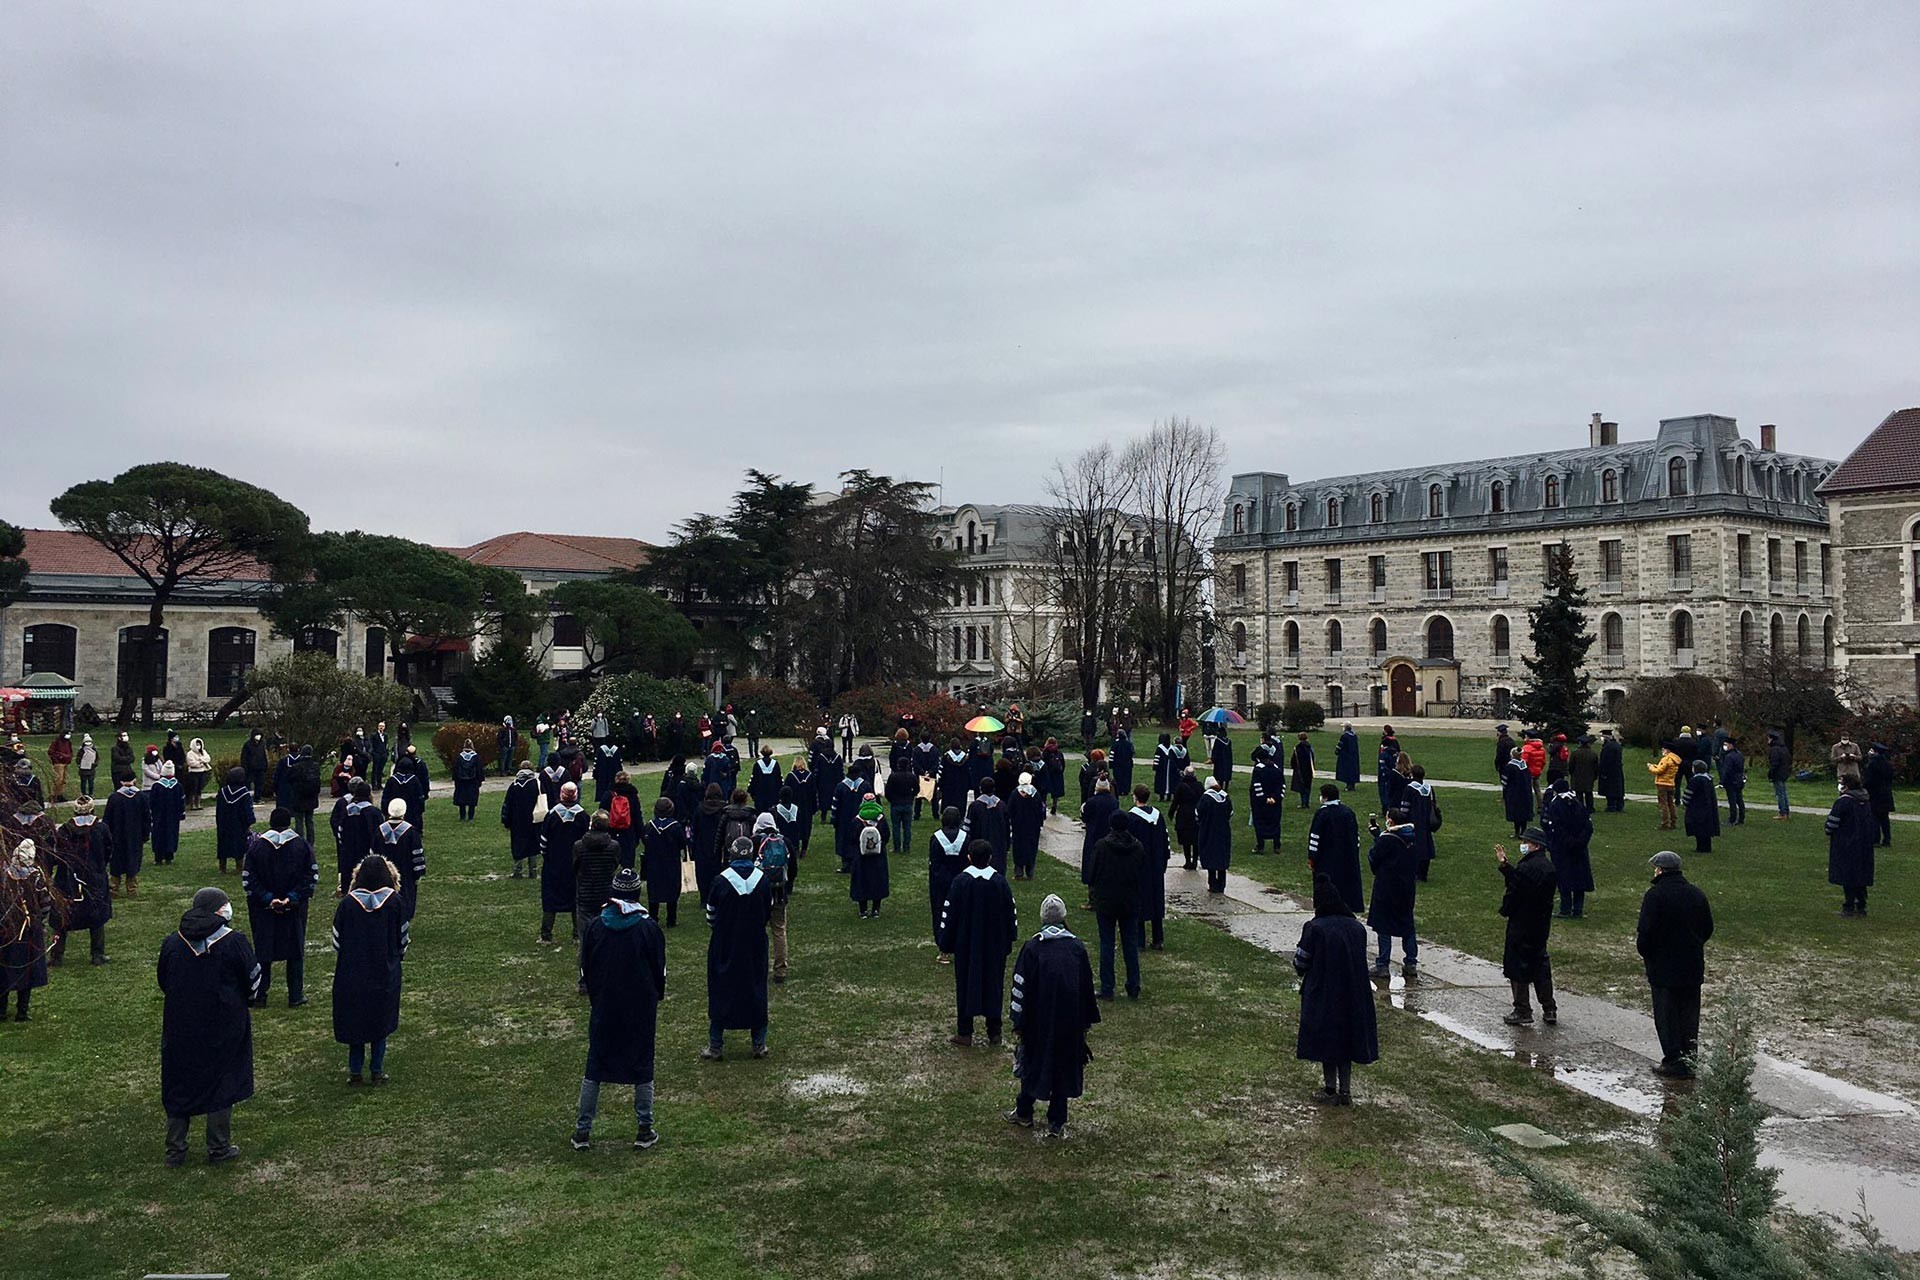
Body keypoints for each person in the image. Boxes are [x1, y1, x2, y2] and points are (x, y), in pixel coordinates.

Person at [157, 887, 260, 1165]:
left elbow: (164, 980)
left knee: (179, 1083)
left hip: (181, 1025)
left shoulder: (172, 944)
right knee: (222, 1082)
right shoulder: (234, 942)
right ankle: (218, 1146)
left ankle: (175, 1149)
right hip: (224, 1026)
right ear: (219, 911)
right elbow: (253, 979)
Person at [570, 867, 667, 1150]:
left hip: (605, 1005)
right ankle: (644, 1128)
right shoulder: (649, 928)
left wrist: (596, 996)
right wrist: (655, 997)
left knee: (595, 1065)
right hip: (639, 1007)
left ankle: (582, 1131)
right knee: (642, 1063)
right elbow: (659, 970)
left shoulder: (597, 927)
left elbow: (585, 969)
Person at [1006, 895, 1100, 1140]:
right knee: (1062, 1067)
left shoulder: (1032, 948)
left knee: (1032, 1065)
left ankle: (1025, 1112)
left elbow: (1020, 987)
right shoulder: (1077, 948)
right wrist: (1086, 1021)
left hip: (1038, 1022)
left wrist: (1018, 1021)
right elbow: (1086, 987)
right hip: (1069, 1022)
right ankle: (1056, 1121)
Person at [1294, 872, 1379, 1105]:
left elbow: (1301, 961)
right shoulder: (1356, 928)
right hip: (1353, 994)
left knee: (1327, 1042)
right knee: (1347, 1042)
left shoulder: (1314, 928)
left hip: (1324, 993)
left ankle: (1330, 1089)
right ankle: (1346, 1092)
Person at [331, 852, 408, 1085]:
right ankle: (377, 1069)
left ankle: (355, 1071)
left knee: (355, 1021)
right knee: (380, 1021)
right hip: (384, 971)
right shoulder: (395, 902)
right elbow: (402, 939)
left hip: (351, 971)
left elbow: (337, 940)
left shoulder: (348, 904)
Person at [1635, 851, 1713, 1078]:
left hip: (1663, 967)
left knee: (1667, 1015)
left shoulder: (1655, 896)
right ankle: (1690, 1058)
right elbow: (1707, 927)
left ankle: (1673, 1060)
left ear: (1659, 870)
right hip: (1691, 965)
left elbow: (1646, 932)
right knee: (1689, 1014)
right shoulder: (1696, 894)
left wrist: (1647, 953)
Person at [937, 837, 1019, 1045]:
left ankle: (965, 1031)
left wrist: (945, 942)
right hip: (994, 946)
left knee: (965, 985)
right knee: (994, 985)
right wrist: (1010, 937)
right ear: (990, 858)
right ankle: (994, 1031)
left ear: (969, 857)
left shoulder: (960, 883)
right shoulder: (1000, 883)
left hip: (966, 945)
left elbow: (949, 914)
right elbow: (1011, 913)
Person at [703, 836, 773, 1060]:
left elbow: (711, 916)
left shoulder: (720, 881)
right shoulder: (762, 880)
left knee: (721, 989)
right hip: (754, 944)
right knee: (756, 988)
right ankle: (758, 1043)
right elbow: (767, 912)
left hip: (725, 944)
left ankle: (716, 1045)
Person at [241, 809, 318, 1007]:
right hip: (294, 910)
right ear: (290, 822)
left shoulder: (257, 847)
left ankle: (260, 995)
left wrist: (268, 899)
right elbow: (310, 876)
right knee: (295, 951)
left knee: (263, 951)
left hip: (263, 909)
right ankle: (295, 995)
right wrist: (291, 898)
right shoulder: (302, 846)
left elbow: (249, 878)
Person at [1496, 830, 1557, 1026]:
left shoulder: (1526, 867)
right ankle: (1549, 1008)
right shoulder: (1548, 867)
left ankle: (1522, 1008)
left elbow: (1517, 890)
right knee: (1540, 966)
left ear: (1535, 845)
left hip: (1521, 924)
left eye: (1526, 842)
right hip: (1540, 924)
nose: (1523, 845)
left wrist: (1505, 909)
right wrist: (1506, 866)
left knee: (1517, 966)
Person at [1086, 810, 1145, 1000]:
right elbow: (1142, 873)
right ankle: (1133, 985)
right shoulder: (1137, 847)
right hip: (1129, 900)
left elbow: (1092, 873)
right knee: (1130, 944)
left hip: (1107, 900)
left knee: (1107, 944)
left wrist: (1095, 892)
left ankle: (1107, 987)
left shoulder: (1102, 846)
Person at [51, 799, 113, 966]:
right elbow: (108, 850)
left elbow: (57, 854)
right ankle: (97, 954)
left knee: (62, 917)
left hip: (67, 878)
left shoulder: (64, 830)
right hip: (93, 877)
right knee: (97, 916)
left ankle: (56, 956)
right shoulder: (101, 829)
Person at [1365, 809, 1419, 977]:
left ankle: (1383, 964)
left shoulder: (1387, 840)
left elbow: (1374, 857)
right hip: (1407, 886)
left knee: (1384, 925)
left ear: (1392, 821)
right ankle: (1411, 962)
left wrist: (1377, 837)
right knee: (1407, 924)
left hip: (1387, 886)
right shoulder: (1412, 838)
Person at [1, 840, 51, 1020]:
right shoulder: (36, 877)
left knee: (4, 969)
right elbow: (45, 904)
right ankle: (22, 1011)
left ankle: (2, 1010)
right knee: (26, 971)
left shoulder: (4, 876)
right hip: (28, 930)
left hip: (7, 929)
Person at [572, 812, 623, 981]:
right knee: (607, 939)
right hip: (605, 895)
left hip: (585, 895)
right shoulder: (614, 846)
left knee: (585, 941)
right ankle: (606, 976)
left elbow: (575, 867)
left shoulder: (579, 846)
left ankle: (584, 979)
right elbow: (614, 865)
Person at [539, 783, 588, 944]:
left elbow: (543, 842)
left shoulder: (552, 815)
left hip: (553, 863)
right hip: (576, 865)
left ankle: (546, 935)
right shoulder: (582, 816)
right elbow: (586, 841)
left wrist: (547, 857)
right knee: (576, 898)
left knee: (550, 898)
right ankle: (577, 935)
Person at [1540, 775, 1593, 918]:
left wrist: (1568, 841)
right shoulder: (1578, 803)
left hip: (1562, 848)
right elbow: (1588, 826)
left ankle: (1565, 909)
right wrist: (1580, 842)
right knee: (1579, 879)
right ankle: (1578, 909)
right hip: (1580, 849)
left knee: (1564, 878)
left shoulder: (1555, 805)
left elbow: (1556, 827)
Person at [1307, 784, 1362, 920]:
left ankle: (1325, 911)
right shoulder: (1348, 812)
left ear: (1325, 797)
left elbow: (1315, 838)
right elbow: (1356, 837)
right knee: (1345, 886)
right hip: (1346, 858)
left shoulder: (1322, 814)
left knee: (1326, 886)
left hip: (1326, 859)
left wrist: (1312, 857)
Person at [1826, 777, 1876, 917]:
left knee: (1848, 876)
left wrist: (1828, 831)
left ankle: (1848, 906)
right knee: (1861, 875)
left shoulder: (1843, 802)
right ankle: (1861, 905)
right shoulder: (1865, 800)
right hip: (1864, 844)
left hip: (1846, 843)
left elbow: (1832, 822)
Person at [639, 797, 688, 926]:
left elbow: (644, 840)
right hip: (670, 862)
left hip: (654, 862)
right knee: (672, 888)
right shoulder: (675, 827)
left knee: (654, 888)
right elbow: (683, 843)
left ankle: (653, 916)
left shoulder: (649, 827)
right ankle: (671, 918)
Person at [376, 797, 426, 923]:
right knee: (406, 899)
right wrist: (418, 873)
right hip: (406, 873)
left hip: (384, 873)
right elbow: (417, 855)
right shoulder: (411, 832)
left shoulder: (380, 831)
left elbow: (373, 853)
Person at [105, 773, 150, 897]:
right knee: (133, 861)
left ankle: (113, 888)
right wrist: (145, 834)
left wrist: (107, 836)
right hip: (135, 836)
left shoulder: (114, 798)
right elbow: (147, 818)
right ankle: (132, 889)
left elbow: (107, 820)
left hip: (117, 836)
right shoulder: (141, 797)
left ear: (121, 782)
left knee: (116, 862)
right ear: (134, 780)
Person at [851, 793, 891, 917]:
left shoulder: (857, 820)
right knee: (877, 881)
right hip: (878, 857)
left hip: (861, 857)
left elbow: (852, 838)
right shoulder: (881, 819)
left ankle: (863, 910)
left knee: (862, 881)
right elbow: (886, 836)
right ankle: (876, 909)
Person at [209, 767, 253, 877]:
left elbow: (218, 808)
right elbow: (247, 810)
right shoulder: (244, 793)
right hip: (239, 824)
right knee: (239, 844)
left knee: (223, 843)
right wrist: (249, 822)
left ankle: (222, 866)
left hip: (224, 822)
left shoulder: (222, 791)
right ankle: (239, 866)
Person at [501, 762, 541, 879]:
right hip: (533, 820)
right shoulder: (536, 784)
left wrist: (506, 821)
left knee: (517, 845)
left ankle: (517, 870)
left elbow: (507, 805)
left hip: (517, 821)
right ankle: (532, 871)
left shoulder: (514, 786)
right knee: (533, 845)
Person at [1078, 775, 1118, 891]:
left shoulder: (1091, 802)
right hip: (1108, 834)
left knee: (1092, 864)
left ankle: (1092, 895)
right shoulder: (1113, 802)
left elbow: (1085, 818)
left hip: (1093, 835)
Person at [1196, 775, 1234, 894]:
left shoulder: (1205, 799)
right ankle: (1222, 884)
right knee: (1222, 857)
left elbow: (1198, 814)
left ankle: (1212, 883)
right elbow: (1231, 812)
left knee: (1210, 856)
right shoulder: (1225, 797)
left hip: (1209, 831)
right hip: (1223, 831)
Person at [1008, 771, 1046, 882]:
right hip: (1033, 826)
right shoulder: (1036, 794)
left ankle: (1018, 872)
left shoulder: (1015, 794)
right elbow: (1041, 809)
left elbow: (1010, 809)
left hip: (1018, 826)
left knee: (1018, 848)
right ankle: (1030, 872)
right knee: (1031, 848)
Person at [1403, 764, 1439, 882]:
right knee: (1426, 846)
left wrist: (1403, 820)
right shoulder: (1429, 788)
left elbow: (1405, 807)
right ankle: (1424, 873)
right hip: (1427, 822)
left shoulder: (1410, 789)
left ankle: (1416, 873)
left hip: (1414, 821)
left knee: (1415, 847)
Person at [149, 761, 187, 867]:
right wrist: (181, 813)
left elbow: (151, 802)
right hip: (173, 817)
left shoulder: (157, 786)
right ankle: (169, 856)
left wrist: (150, 813)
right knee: (171, 834)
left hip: (159, 816)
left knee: (159, 835)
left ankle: (158, 857)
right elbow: (181, 801)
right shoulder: (178, 786)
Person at [283, 745, 323, 845]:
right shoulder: (315, 766)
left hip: (299, 797)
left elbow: (288, 778)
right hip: (312, 797)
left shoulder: (297, 767)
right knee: (309, 821)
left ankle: (300, 842)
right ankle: (311, 841)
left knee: (299, 821)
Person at [1248, 749, 1285, 854]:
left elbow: (1256, 785)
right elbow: (1281, 785)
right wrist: (1276, 798)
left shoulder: (1258, 769)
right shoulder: (1276, 768)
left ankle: (1260, 846)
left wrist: (1264, 798)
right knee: (1275, 823)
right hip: (1275, 802)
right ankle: (1276, 846)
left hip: (1260, 803)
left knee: (1260, 823)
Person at [1682, 759, 1719, 854]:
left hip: (1697, 808)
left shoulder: (1695, 780)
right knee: (1706, 829)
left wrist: (1685, 802)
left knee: (1698, 828)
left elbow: (1688, 794)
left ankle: (1700, 847)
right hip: (1708, 808)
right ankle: (1707, 847)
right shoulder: (1709, 779)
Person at [1864, 743, 1896, 847]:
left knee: (1875, 818)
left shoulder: (1872, 764)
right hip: (1886, 793)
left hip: (1875, 794)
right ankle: (1887, 839)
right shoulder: (1888, 764)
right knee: (1885, 818)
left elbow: (1869, 781)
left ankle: (1875, 840)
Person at [1498, 746, 1533, 839]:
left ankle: (1517, 832)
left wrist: (1505, 793)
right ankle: (1523, 831)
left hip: (1514, 793)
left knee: (1516, 814)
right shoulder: (1524, 765)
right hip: (1525, 793)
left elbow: (1505, 781)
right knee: (1524, 814)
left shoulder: (1510, 766)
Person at [1647, 742, 1681, 831]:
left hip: (1662, 784)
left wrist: (1651, 767)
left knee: (1663, 804)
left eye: (1663, 749)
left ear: (1667, 750)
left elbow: (1659, 771)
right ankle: (1673, 822)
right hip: (1670, 783)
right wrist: (1656, 766)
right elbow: (1664, 769)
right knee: (1671, 803)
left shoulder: (1666, 759)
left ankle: (1665, 823)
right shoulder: (1675, 759)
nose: (1662, 750)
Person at [1717, 735, 1747, 826]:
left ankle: (1732, 819)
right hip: (1739, 780)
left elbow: (1727, 771)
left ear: (1731, 745)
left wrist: (1722, 781)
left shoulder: (1729, 757)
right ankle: (1741, 818)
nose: (1725, 746)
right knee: (1739, 800)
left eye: (1726, 744)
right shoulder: (1739, 754)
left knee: (1732, 801)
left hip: (1731, 781)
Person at [451, 739, 484, 822]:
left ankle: (462, 817)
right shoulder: (476, 757)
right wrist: (480, 780)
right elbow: (479, 771)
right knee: (472, 800)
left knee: (462, 799)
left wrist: (455, 780)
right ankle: (471, 817)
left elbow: (455, 770)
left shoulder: (459, 757)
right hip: (473, 782)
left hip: (461, 782)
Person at [1766, 730, 1793, 821]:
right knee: (1784, 793)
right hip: (1784, 773)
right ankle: (1786, 811)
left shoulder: (1774, 749)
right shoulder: (1784, 748)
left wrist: (1770, 774)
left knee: (1780, 794)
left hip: (1778, 774)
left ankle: (1783, 813)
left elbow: (1774, 763)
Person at [1567, 736, 1598, 812]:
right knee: (1589, 793)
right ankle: (1590, 807)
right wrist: (1595, 776)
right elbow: (1596, 767)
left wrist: (1572, 773)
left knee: (1579, 793)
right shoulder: (1593, 754)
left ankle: (1579, 807)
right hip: (1589, 776)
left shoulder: (1575, 753)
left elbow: (1571, 766)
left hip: (1577, 776)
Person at [1598, 729, 1626, 813]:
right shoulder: (1617, 745)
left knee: (1610, 790)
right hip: (1617, 770)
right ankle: (1619, 805)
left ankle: (1611, 806)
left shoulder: (1608, 747)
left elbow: (1606, 761)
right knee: (1618, 789)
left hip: (1610, 771)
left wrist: (1602, 771)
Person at [1288, 733, 1316, 809]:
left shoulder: (1297, 748)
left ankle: (1303, 803)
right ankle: (1307, 803)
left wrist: (1293, 766)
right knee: (1308, 787)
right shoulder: (1310, 747)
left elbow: (1294, 759)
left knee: (1302, 787)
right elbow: (1312, 759)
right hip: (1309, 770)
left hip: (1299, 770)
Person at [367, 722, 389, 788]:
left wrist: (386, 752)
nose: (381, 727)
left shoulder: (385, 735)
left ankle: (379, 784)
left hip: (383, 754)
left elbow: (386, 744)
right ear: (378, 727)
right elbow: (371, 745)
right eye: (380, 726)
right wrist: (373, 753)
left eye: (382, 726)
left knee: (380, 769)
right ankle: (374, 784)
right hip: (376, 754)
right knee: (375, 769)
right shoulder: (373, 735)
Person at [76, 732, 98, 799]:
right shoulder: (81, 750)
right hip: (83, 769)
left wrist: (95, 764)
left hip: (91, 769)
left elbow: (97, 758)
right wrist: (80, 765)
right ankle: (84, 794)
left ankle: (90, 793)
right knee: (84, 782)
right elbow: (78, 759)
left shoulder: (94, 750)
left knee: (91, 783)